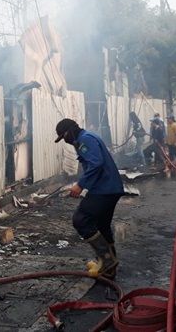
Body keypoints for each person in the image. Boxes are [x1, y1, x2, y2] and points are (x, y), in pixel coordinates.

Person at [55, 118, 124, 279]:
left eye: (64, 137)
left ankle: (107, 261)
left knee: (81, 220)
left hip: (104, 189)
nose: (65, 141)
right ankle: (109, 265)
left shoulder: (84, 140)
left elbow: (96, 163)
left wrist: (80, 185)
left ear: (69, 132)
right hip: (110, 188)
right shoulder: (88, 136)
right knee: (102, 224)